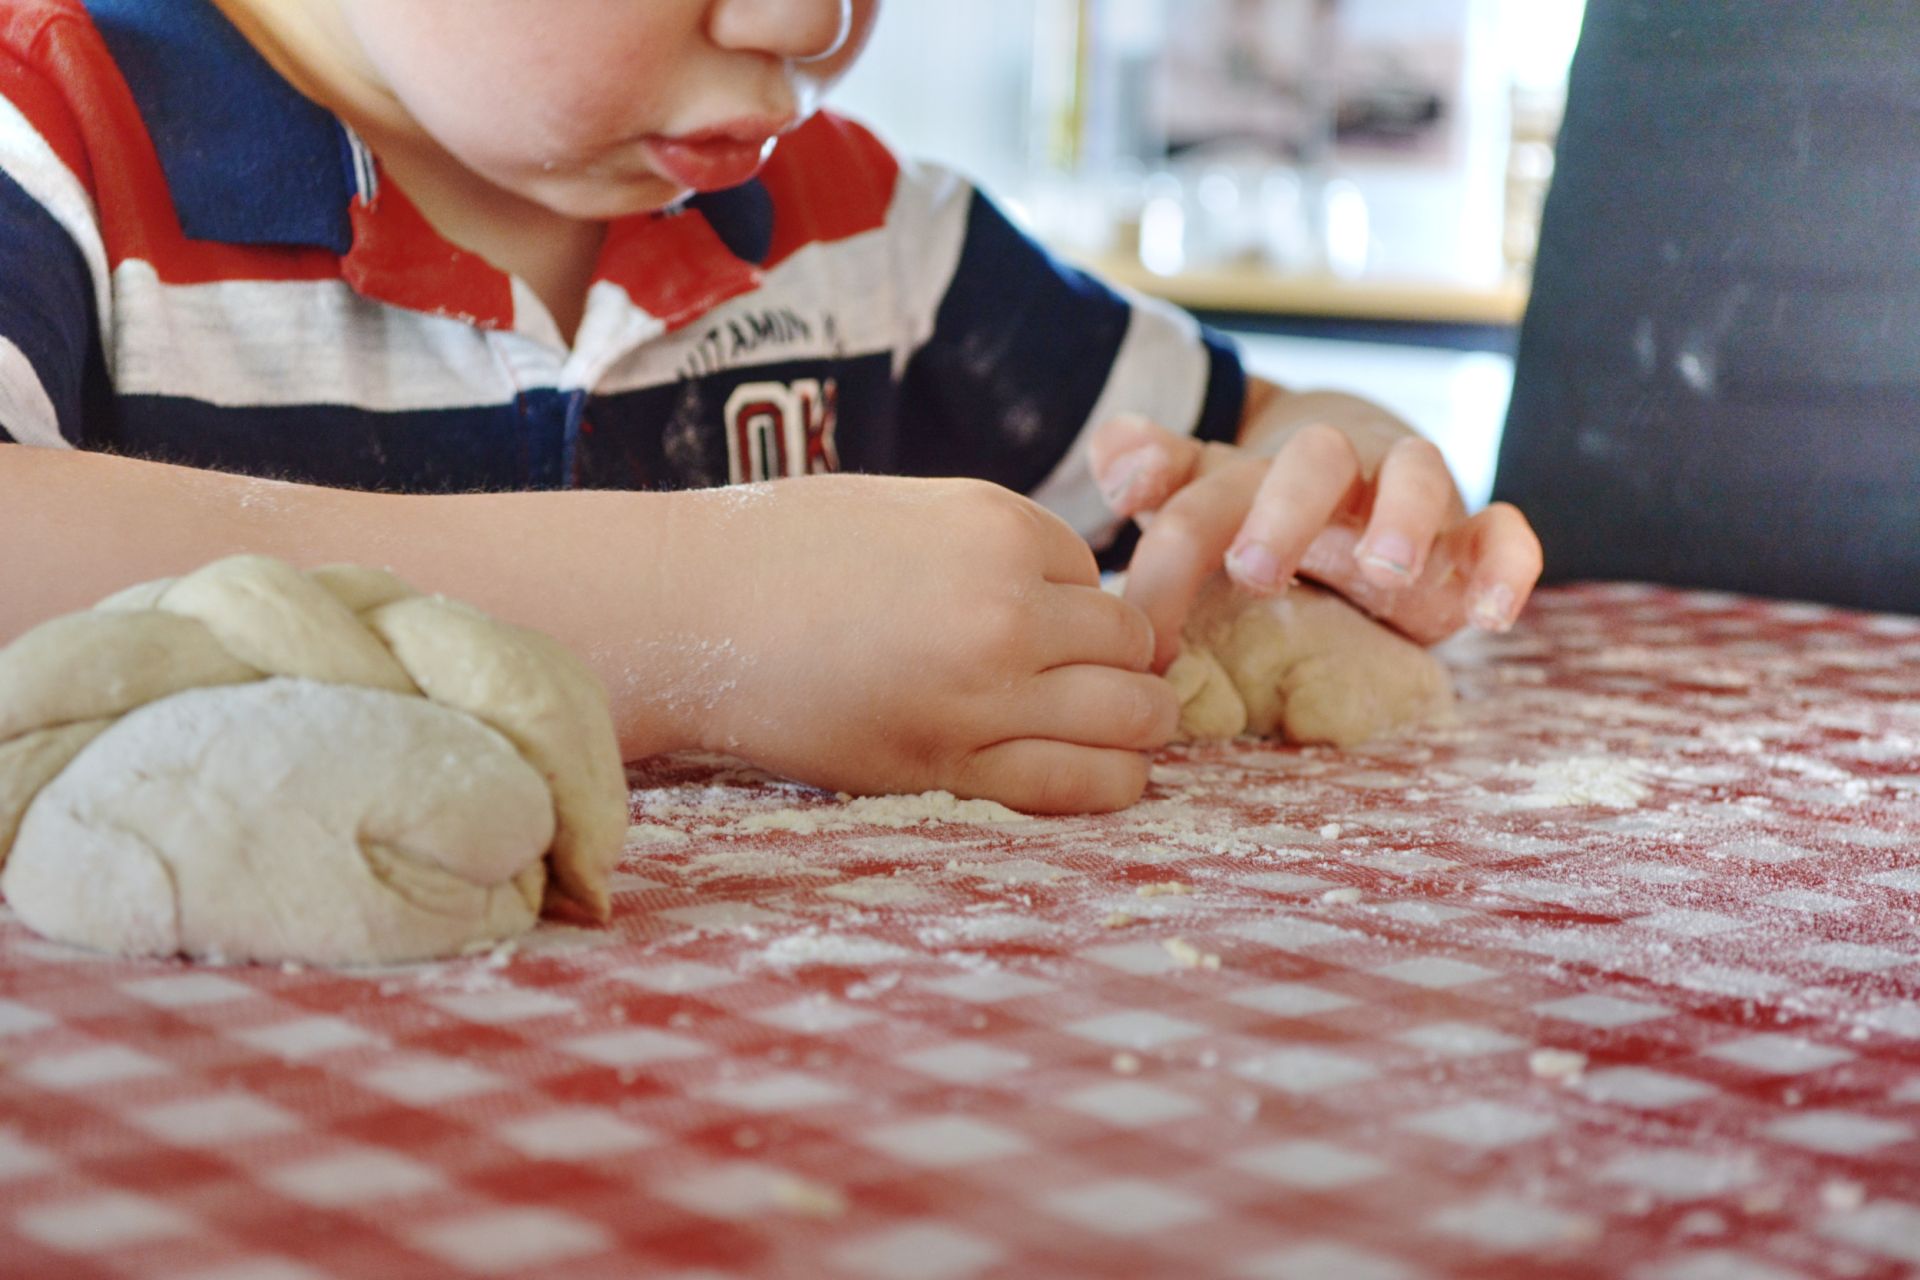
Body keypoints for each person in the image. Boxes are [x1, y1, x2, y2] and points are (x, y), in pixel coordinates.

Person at [0, 0, 1541, 813]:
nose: (809, 22)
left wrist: (1330, 496)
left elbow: (1257, 426)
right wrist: (708, 619)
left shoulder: (861, 239)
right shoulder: (54, 140)